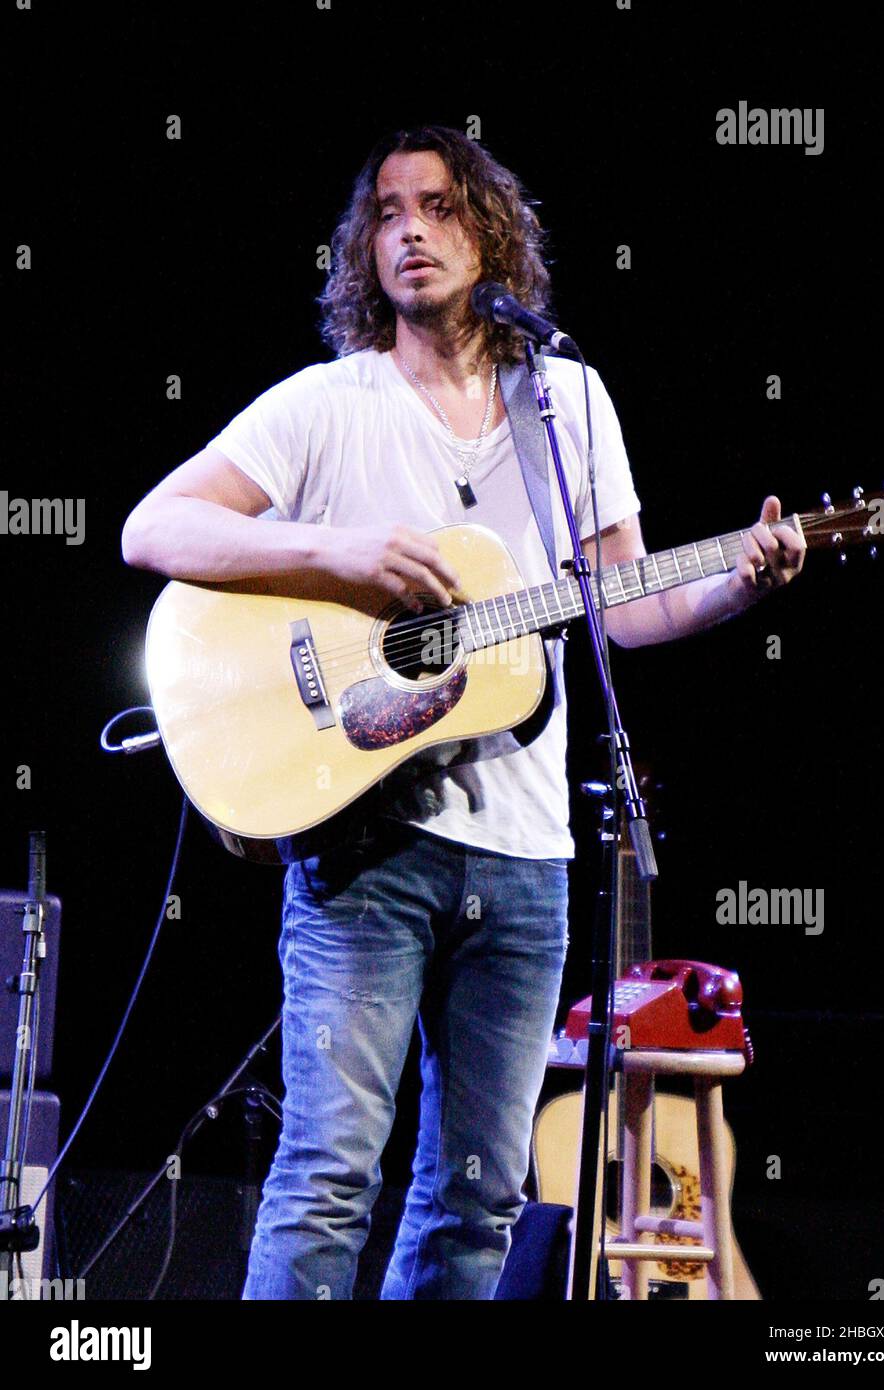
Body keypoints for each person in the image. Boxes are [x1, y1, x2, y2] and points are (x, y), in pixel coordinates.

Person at [122, 125, 805, 1300]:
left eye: (435, 208)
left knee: (477, 1195)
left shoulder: (567, 404)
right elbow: (153, 530)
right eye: (384, 213)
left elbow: (621, 605)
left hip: (528, 858)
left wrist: (741, 578)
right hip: (364, 850)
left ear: (487, 233)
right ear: (362, 248)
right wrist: (339, 555)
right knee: (330, 1170)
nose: (407, 232)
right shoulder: (326, 406)